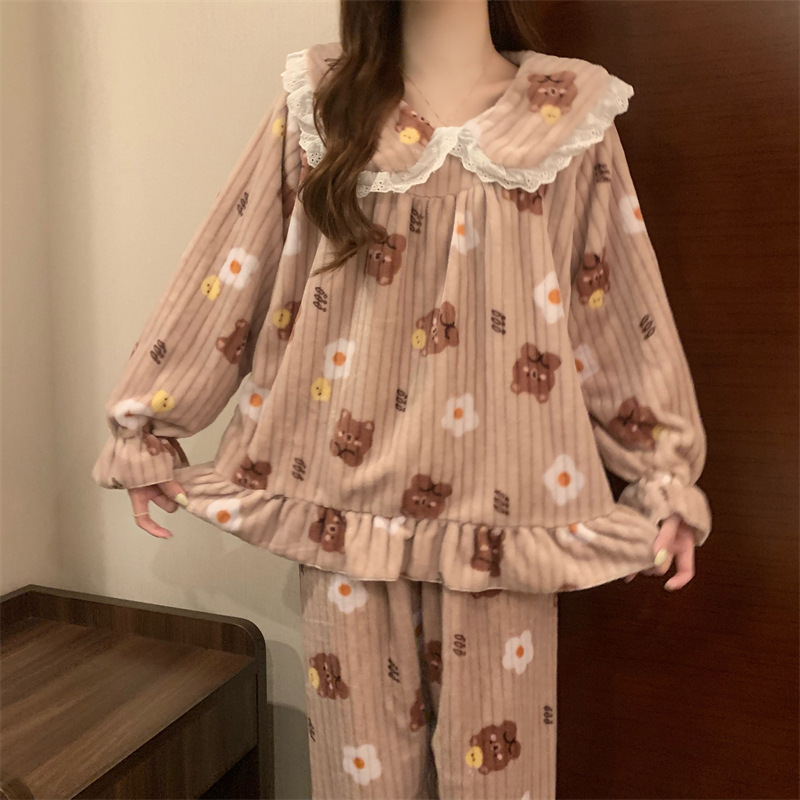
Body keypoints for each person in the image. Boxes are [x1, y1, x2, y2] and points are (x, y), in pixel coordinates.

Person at [91, 1, 713, 797]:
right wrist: (148, 420)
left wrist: (662, 471)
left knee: (501, 784)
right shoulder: (322, 104)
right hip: (345, 511)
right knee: (358, 783)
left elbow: (616, 304)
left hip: (504, 518)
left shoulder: (568, 115)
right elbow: (234, 262)